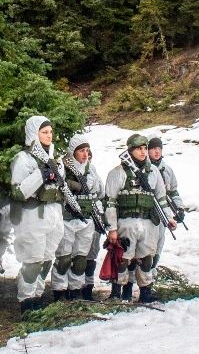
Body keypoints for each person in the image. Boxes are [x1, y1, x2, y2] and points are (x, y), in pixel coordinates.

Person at [103, 134, 176, 303]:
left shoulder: (154, 172)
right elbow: (110, 203)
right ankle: (117, 293)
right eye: (138, 149)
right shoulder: (117, 173)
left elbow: (161, 198)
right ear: (130, 150)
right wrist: (112, 228)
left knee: (146, 259)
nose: (143, 152)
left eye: (145, 148)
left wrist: (169, 218)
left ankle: (145, 293)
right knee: (122, 259)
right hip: (126, 223)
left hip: (148, 223)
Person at [10, 116, 65, 313]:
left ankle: (38, 298)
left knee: (47, 260)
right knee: (32, 262)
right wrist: (41, 173)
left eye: (50, 132)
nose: (49, 136)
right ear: (34, 134)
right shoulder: (23, 159)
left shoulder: (55, 158)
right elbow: (18, 192)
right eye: (44, 132)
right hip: (32, 217)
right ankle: (27, 303)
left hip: (53, 213)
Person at [50, 133, 104, 301]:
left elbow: (99, 192)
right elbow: (55, 186)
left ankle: (75, 291)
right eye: (81, 151)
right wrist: (70, 184)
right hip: (66, 218)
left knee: (80, 259)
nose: (85, 154)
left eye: (87, 150)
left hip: (86, 219)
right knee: (64, 259)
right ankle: (59, 292)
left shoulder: (91, 169)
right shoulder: (62, 167)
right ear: (73, 152)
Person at [148, 136, 185, 277]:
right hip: (147, 212)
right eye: (153, 148)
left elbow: (173, 191)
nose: (157, 151)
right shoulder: (143, 169)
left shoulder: (167, 170)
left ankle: (152, 269)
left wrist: (179, 208)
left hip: (163, 212)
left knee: (159, 241)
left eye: (159, 148)